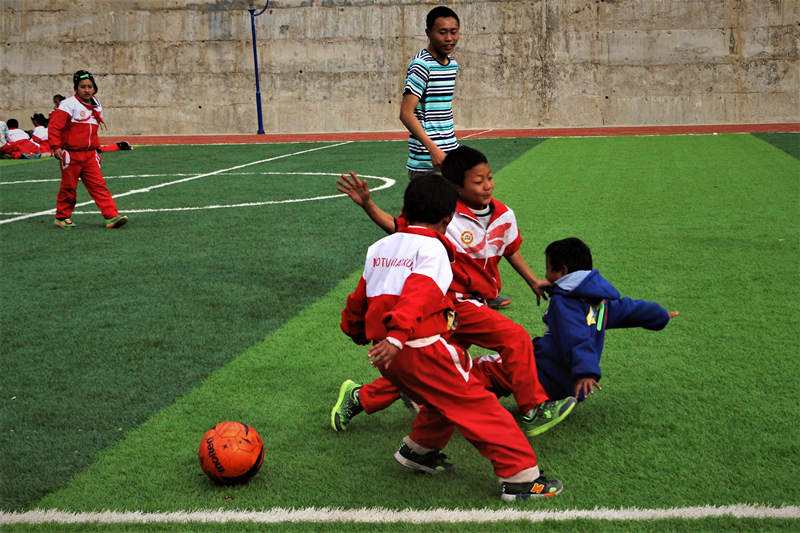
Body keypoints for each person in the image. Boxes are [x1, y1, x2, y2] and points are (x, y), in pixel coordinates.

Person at [340, 174, 563, 501]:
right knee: (477, 403)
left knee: (437, 397)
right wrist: (399, 337)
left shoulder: (380, 247)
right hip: (418, 346)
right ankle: (521, 478)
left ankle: (418, 451)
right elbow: (420, 293)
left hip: (389, 353)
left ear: (405, 208)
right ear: (447, 219)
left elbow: (359, 298)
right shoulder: (434, 250)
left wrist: (360, 332)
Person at [332, 146, 576, 436]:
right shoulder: (442, 214)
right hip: (455, 304)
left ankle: (359, 398)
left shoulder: (503, 214)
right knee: (515, 338)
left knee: (429, 373)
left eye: (489, 178)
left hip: (467, 307)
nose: (487, 185)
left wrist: (533, 280)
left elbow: (510, 250)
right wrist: (368, 205)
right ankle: (533, 408)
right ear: (457, 186)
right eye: (478, 181)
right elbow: (398, 229)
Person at [523, 237, 679, 402]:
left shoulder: (564, 303)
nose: (545, 274)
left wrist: (585, 372)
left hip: (553, 375)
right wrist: (660, 314)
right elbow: (629, 310)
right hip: (575, 380)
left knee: (509, 364)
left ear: (562, 270)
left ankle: (533, 405)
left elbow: (575, 337)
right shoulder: (598, 299)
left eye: (548, 268)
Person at [48, 70, 128, 229]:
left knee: (99, 185)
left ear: (94, 88)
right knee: (68, 187)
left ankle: (111, 216)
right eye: (82, 86)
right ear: (76, 88)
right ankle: (62, 217)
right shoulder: (67, 104)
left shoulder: (96, 104)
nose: (86, 90)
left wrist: (97, 149)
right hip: (71, 154)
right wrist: (55, 147)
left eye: (90, 86)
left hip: (90, 154)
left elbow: (93, 131)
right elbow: (55, 127)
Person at [400, 6, 461, 180]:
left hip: (449, 155)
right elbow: (405, 113)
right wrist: (433, 149)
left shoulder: (452, 64)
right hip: (426, 162)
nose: (449, 38)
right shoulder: (421, 65)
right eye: (442, 32)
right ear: (428, 33)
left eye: (453, 32)